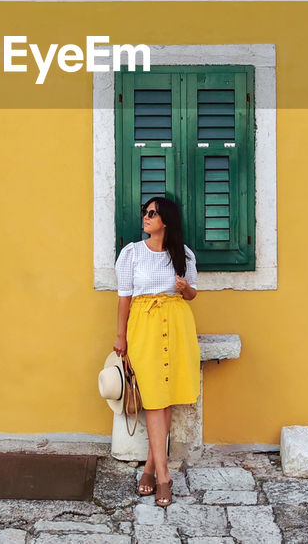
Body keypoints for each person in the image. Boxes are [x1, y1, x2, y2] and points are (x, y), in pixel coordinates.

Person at [113, 195, 200, 508]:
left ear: (166, 221)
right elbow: (124, 298)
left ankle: (150, 470)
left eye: (152, 213)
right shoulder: (132, 253)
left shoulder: (183, 254)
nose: (146, 217)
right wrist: (121, 336)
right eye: (145, 213)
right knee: (152, 398)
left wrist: (183, 289)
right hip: (144, 327)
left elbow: (191, 294)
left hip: (176, 325)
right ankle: (165, 478)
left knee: (166, 399)